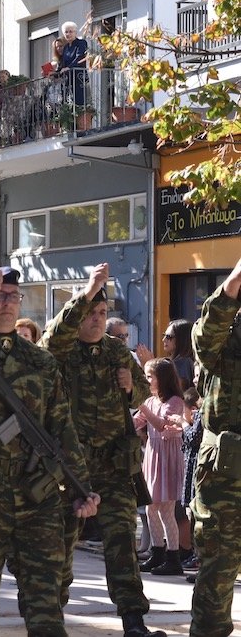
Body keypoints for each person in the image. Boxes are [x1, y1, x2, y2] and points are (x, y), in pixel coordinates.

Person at [0, 266, 99, 636]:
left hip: (36, 496)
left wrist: (81, 488)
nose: (8, 302)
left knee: (46, 602)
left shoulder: (40, 362)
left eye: (13, 296)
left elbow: (62, 428)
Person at [38, 263, 163, 637]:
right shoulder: (61, 350)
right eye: (90, 313)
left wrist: (131, 388)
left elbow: (145, 391)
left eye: (102, 312)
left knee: (122, 541)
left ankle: (133, 620)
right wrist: (87, 292)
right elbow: (52, 337)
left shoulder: (116, 351)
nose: (96, 319)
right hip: (70, 469)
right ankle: (51, 617)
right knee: (62, 544)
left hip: (113, 467)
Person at [188, 256, 241, 636]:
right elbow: (204, 339)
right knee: (218, 570)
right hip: (225, 473)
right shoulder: (224, 333)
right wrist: (235, 278)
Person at [134, 358, 187, 576]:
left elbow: (161, 425)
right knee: (150, 507)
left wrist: (142, 408)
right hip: (154, 457)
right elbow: (137, 423)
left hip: (168, 458)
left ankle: (173, 557)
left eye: (149, 377)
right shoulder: (151, 400)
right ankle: (157, 553)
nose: (146, 381)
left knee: (166, 510)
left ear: (162, 379)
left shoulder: (174, 401)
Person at [180, 386, 203, 572]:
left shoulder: (202, 413)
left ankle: (199, 557)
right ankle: (196, 555)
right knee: (190, 512)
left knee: (195, 513)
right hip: (191, 467)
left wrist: (184, 424)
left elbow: (194, 437)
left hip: (198, 468)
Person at [58, 21, 89, 106]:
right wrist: (55, 72)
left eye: (70, 31)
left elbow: (79, 58)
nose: (68, 34)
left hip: (79, 78)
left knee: (80, 103)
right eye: (66, 32)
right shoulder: (66, 48)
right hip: (68, 79)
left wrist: (69, 67)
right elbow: (63, 63)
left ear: (75, 32)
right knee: (67, 103)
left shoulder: (81, 43)